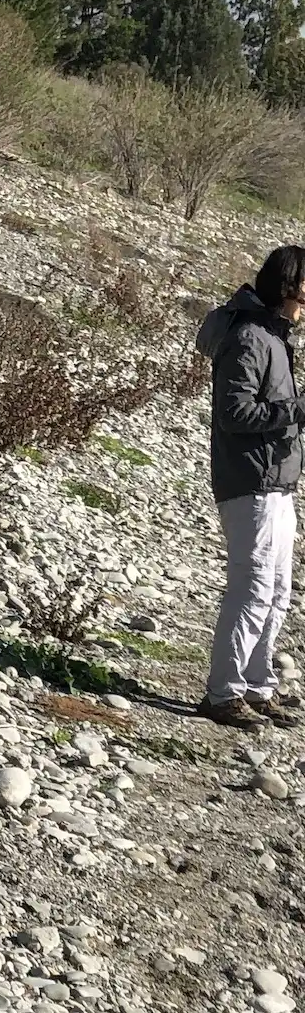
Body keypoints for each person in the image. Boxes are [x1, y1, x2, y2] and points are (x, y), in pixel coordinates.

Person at [196, 245, 305, 731]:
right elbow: (234, 413)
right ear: (287, 289)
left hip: (276, 482)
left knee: (278, 589)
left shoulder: (273, 337)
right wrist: (296, 413)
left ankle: (257, 686)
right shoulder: (250, 338)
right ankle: (224, 692)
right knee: (253, 587)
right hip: (251, 483)